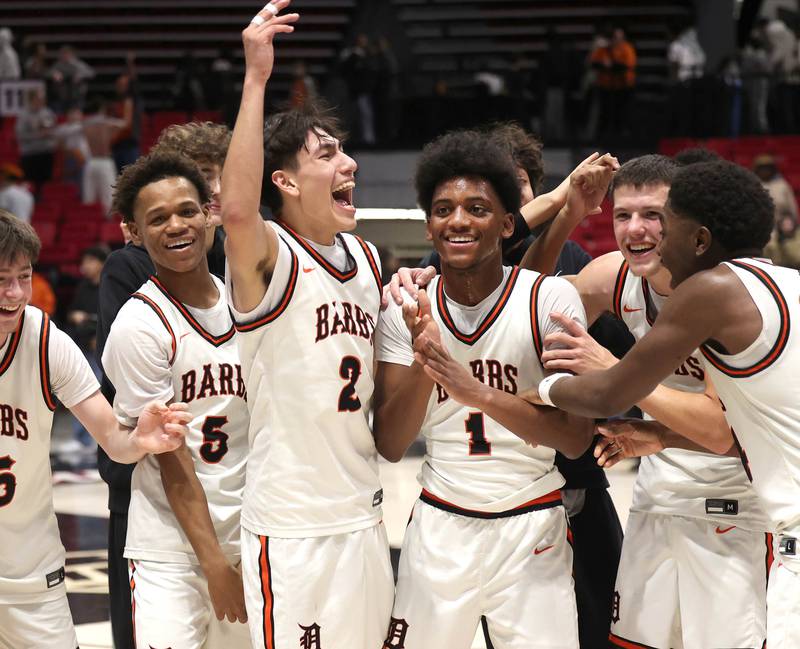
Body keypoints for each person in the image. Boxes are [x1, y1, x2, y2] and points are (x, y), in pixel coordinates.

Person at [519, 159, 798, 648]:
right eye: (622, 215)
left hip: (737, 507)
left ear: (692, 230)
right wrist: (567, 215)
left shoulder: (721, 291)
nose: (637, 230)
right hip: (657, 494)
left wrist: (609, 375)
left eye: (654, 215)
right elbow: (521, 304)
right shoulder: (615, 278)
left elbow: (716, 429)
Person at [402, 123, 626, 647]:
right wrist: (562, 204)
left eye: (520, 184)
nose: (463, 214)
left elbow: (528, 281)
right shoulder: (437, 273)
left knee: (597, 615)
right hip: (459, 499)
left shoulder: (569, 269)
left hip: (564, 480)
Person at [221, 3, 393, 646]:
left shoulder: (370, 259)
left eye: (345, 151)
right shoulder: (270, 254)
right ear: (286, 181)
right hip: (291, 525)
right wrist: (257, 78)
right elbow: (235, 209)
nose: (347, 164)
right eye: (327, 155)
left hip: (364, 513)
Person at [0, 210, 189, 649]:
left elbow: (115, 442)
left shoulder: (46, 342)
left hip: (31, 576)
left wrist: (140, 439)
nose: (14, 293)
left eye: (23, 278)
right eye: (1, 279)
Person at [103, 151, 250, 648]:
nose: (176, 226)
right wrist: (213, 564)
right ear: (134, 232)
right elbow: (171, 460)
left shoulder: (249, 301)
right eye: (157, 218)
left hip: (252, 533)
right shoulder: (138, 326)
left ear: (210, 212)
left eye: (187, 210)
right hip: (173, 548)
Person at [81, 96, 127, 214]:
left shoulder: (84, 124)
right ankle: (106, 225)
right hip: (104, 162)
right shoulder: (108, 123)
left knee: (89, 198)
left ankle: (89, 224)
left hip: (90, 163)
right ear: (102, 109)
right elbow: (125, 124)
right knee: (109, 199)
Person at [14, 87, 56, 188]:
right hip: (30, 153)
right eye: (39, 98)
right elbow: (20, 135)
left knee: (45, 182)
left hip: (46, 152)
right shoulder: (23, 115)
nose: (42, 101)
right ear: (32, 99)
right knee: (29, 181)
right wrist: (38, 135)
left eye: (43, 98)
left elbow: (52, 129)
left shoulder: (48, 113)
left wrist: (50, 133)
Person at [753, 153, 799, 224]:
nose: (765, 171)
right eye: (762, 168)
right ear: (757, 170)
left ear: (773, 169)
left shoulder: (783, 184)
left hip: (782, 225)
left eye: (767, 168)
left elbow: (792, 208)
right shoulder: (753, 185)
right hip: (760, 225)